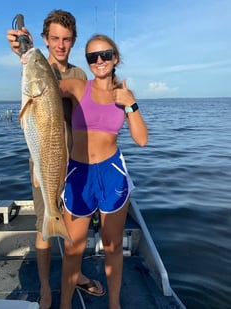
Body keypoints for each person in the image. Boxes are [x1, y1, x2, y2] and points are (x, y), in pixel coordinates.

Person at [7, 10, 104, 309]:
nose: (60, 45)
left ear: (73, 41)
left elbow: (84, 116)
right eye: (54, 39)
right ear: (46, 40)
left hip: (74, 162)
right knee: (44, 227)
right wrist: (22, 54)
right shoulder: (37, 68)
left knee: (75, 226)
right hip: (44, 162)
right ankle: (47, 288)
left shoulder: (78, 75)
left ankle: (77, 274)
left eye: (66, 40)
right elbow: (34, 79)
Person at [58, 34, 148, 309]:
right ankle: (65, 304)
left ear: (115, 58)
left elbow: (141, 139)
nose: (99, 61)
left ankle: (115, 304)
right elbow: (40, 86)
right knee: (73, 248)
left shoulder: (124, 95)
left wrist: (131, 102)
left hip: (111, 173)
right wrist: (24, 55)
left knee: (112, 245)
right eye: (92, 57)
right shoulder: (76, 86)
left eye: (105, 55)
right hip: (78, 173)